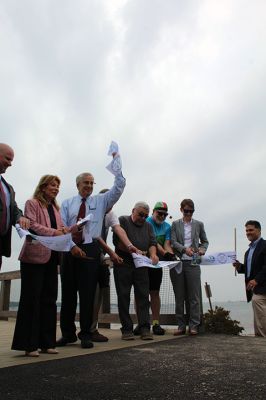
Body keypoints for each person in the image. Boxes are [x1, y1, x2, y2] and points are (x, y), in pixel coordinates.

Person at [11, 175, 84, 357]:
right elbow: (32, 225)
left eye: (58, 186)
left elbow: (62, 230)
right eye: (52, 185)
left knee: (49, 300)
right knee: (31, 300)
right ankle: (29, 345)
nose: (56, 188)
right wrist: (56, 232)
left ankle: (47, 343)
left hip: (52, 257)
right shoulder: (32, 203)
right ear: (43, 187)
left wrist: (73, 232)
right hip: (33, 257)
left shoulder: (56, 208)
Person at [57, 167, 126, 349]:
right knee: (68, 294)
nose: (88, 185)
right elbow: (62, 226)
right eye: (85, 182)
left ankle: (86, 334)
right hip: (69, 248)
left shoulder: (101, 201)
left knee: (88, 295)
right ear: (78, 184)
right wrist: (71, 245)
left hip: (91, 249)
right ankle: (67, 334)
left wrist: (117, 169)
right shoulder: (67, 203)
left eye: (91, 183)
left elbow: (118, 189)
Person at [90, 189, 140, 342]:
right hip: (84, 253)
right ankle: (76, 331)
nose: (111, 205)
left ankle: (92, 329)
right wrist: (112, 253)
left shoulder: (111, 214)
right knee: (86, 294)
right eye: (109, 201)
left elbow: (118, 229)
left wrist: (130, 245)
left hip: (98, 256)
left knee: (98, 292)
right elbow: (96, 235)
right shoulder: (93, 211)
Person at [113, 201, 159, 340]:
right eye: (140, 214)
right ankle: (126, 329)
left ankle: (145, 328)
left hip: (142, 264)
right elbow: (117, 242)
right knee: (123, 296)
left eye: (146, 216)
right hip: (124, 261)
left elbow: (152, 243)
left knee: (143, 296)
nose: (143, 218)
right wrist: (133, 250)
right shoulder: (122, 220)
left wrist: (153, 254)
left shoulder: (148, 225)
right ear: (133, 210)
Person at [170, 199, 209, 335]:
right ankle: (181, 326)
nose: (188, 213)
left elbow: (205, 241)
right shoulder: (174, 224)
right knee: (179, 296)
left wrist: (202, 249)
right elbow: (173, 242)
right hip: (179, 263)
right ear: (181, 210)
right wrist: (184, 249)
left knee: (194, 296)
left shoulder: (199, 224)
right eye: (186, 211)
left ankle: (194, 325)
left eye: (191, 211)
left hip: (193, 263)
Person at [233, 220, 266, 337]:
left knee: (257, 303)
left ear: (259, 230)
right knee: (258, 312)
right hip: (254, 288)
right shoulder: (248, 252)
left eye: (251, 230)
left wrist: (256, 280)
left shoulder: (265, 245)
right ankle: (259, 337)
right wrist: (239, 266)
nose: (248, 232)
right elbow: (249, 270)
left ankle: (262, 337)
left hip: (263, 286)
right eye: (247, 230)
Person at [0, 143, 30, 270]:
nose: (10, 164)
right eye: (7, 159)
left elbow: (13, 209)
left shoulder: (8, 187)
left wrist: (20, 217)